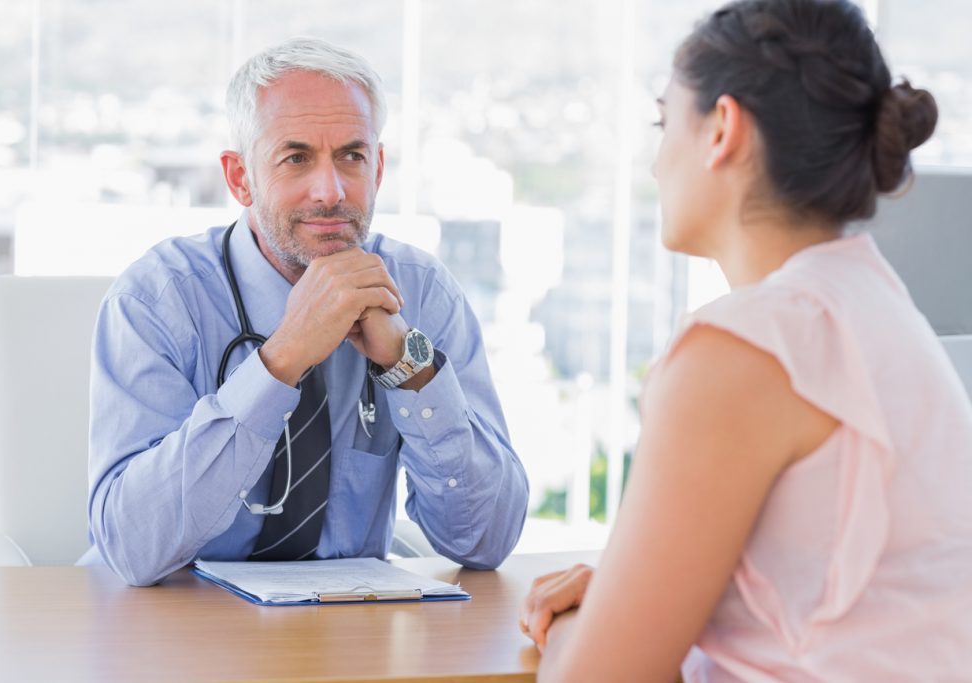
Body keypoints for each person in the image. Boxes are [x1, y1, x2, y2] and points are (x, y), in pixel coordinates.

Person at [520, 0, 972, 680]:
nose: (653, 165)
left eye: (662, 120)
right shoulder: (876, 305)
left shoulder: (744, 349)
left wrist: (585, 623)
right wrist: (637, 595)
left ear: (722, 128)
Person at [79, 37, 529, 586]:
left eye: (351, 156)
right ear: (240, 177)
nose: (330, 190)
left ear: (379, 167)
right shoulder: (156, 301)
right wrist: (281, 360)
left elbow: (487, 539)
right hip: (162, 634)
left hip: (344, 639)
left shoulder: (423, 291)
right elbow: (131, 546)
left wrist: (410, 369)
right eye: (296, 158)